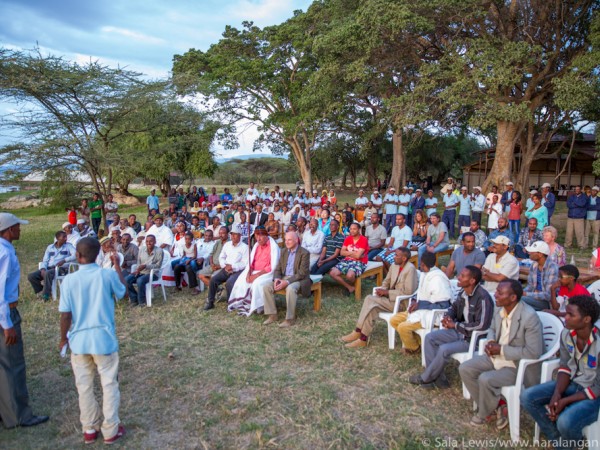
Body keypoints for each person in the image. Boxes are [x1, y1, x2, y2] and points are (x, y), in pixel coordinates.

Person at [59, 238, 127, 444]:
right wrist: (117, 266)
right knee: (109, 385)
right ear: (98, 255)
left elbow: (65, 315)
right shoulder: (106, 275)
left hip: (79, 341)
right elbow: (122, 291)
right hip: (103, 340)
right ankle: (110, 429)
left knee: (84, 387)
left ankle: (89, 428)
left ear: (77, 256)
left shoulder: (69, 281)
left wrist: (63, 338)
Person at [459, 280, 543, 429]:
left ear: (513, 298)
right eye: (496, 291)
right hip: (496, 357)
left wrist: (502, 350)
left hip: (516, 365)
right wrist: (491, 340)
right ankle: (497, 406)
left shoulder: (529, 317)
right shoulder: (500, 310)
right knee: (465, 368)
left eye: (500, 293)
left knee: (486, 379)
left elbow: (534, 352)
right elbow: (492, 327)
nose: (495, 295)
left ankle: (484, 413)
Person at [521, 295, 600, 447]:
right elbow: (565, 366)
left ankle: (569, 442)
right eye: (566, 313)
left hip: (594, 394)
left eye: (571, 315)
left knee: (565, 420)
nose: (566, 318)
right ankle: (560, 440)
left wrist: (564, 401)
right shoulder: (566, 334)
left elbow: (598, 387)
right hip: (574, 383)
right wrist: (557, 393)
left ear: (587, 319)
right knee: (527, 397)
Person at [0, 213, 49, 429]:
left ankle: (6, 413)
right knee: (13, 365)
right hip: (6, 313)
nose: (20, 230)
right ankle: (20, 415)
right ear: (9, 230)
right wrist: (7, 324)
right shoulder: (5, 253)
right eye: (18, 227)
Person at [409, 266, 494, 389]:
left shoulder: (483, 298)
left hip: (472, 339)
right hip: (458, 332)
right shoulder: (463, 292)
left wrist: (455, 325)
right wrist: (448, 317)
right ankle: (439, 379)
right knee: (429, 338)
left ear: (472, 281)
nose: (458, 277)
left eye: (463, 276)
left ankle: (426, 378)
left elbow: (481, 325)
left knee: (444, 349)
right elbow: (453, 308)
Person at [341, 247, 418, 348]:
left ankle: (357, 330)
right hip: (389, 300)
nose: (394, 257)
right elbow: (386, 281)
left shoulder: (410, 269)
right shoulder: (394, 266)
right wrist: (382, 289)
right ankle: (363, 338)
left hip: (401, 303)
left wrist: (387, 292)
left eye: (396, 256)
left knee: (369, 299)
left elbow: (408, 291)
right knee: (373, 308)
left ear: (404, 258)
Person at [389, 251, 453, 354]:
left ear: (422, 264)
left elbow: (443, 304)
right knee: (394, 320)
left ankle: (414, 348)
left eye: (420, 264)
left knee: (402, 327)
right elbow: (420, 292)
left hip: (432, 316)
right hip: (420, 311)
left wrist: (420, 305)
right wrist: (414, 300)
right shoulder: (425, 273)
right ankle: (419, 344)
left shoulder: (438, 278)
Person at [227, 227, 280, 316]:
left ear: (266, 235)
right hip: (253, 271)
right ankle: (245, 303)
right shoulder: (256, 245)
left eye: (261, 236)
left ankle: (258, 307)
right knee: (241, 281)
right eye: (256, 236)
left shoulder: (274, 247)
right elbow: (251, 262)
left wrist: (256, 275)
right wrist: (248, 273)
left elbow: (273, 266)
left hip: (267, 273)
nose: (258, 239)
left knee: (257, 283)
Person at [262, 232, 311, 328]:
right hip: (284, 277)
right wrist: (276, 279)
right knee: (266, 287)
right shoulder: (283, 251)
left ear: (296, 240)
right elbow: (278, 268)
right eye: (285, 240)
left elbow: (302, 273)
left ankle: (289, 319)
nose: (287, 242)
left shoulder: (304, 253)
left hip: (298, 279)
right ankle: (272, 315)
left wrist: (287, 282)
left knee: (290, 288)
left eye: (289, 240)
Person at [204, 225, 248, 310]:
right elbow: (221, 257)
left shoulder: (244, 247)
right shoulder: (227, 245)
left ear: (240, 235)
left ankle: (231, 303)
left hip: (238, 271)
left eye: (235, 234)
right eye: (232, 234)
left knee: (229, 282)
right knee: (213, 280)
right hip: (226, 268)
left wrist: (233, 266)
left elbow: (245, 263)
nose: (233, 236)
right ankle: (210, 302)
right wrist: (225, 265)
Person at [28, 230, 76, 301]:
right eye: (64, 237)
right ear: (57, 238)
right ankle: (42, 290)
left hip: (61, 268)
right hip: (48, 268)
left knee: (48, 273)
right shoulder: (50, 247)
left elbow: (75, 255)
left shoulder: (68, 246)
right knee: (31, 276)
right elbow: (45, 260)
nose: (66, 238)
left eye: (66, 237)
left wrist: (64, 260)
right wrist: (43, 268)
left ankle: (45, 296)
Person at [329, 222, 369, 297]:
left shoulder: (363, 239)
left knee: (350, 275)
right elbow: (341, 252)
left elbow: (358, 256)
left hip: (360, 261)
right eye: (350, 229)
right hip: (347, 260)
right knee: (332, 273)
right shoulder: (348, 239)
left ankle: (353, 284)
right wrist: (354, 253)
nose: (352, 231)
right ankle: (350, 287)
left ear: (359, 230)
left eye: (354, 229)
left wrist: (349, 252)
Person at [125, 235, 164, 307]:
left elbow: (158, 266)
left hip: (153, 273)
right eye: (147, 241)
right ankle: (134, 299)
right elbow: (138, 262)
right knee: (127, 279)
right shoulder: (142, 249)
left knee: (140, 280)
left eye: (151, 241)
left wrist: (146, 266)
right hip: (141, 272)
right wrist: (137, 270)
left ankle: (142, 301)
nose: (148, 243)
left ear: (155, 242)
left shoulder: (159, 251)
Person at [521, 241, 559, 311]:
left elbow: (548, 295)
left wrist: (526, 294)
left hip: (546, 302)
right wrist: (520, 292)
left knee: (519, 301)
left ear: (540, 254)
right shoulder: (534, 265)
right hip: (534, 297)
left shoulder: (552, 268)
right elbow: (530, 286)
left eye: (532, 252)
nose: (529, 253)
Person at [565, 185, 589, 250]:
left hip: (579, 217)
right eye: (575, 189)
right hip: (570, 217)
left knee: (580, 232)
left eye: (578, 189)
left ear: (580, 190)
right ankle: (568, 244)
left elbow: (582, 204)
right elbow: (568, 204)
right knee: (569, 232)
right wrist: (577, 204)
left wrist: (574, 202)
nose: (577, 190)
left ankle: (581, 245)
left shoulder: (584, 197)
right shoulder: (572, 196)